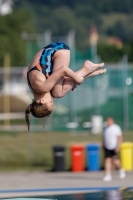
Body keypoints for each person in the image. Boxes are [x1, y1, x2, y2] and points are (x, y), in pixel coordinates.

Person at [25, 42, 106, 130]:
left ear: (42, 100)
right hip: (55, 48)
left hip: (60, 50)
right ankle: (86, 71)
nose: (52, 101)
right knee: (57, 92)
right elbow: (60, 76)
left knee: (57, 93)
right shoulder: (34, 87)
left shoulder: (43, 87)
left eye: (51, 103)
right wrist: (78, 79)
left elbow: (63, 70)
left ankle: (86, 69)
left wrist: (77, 79)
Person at [102, 117, 126, 181]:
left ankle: (121, 170)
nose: (108, 122)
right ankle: (108, 175)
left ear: (112, 121)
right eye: (107, 121)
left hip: (114, 147)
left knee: (115, 160)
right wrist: (103, 144)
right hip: (107, 147)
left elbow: (120, 137)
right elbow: (104, 137)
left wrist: (118, 146)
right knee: (107, 160)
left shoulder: (116, 128)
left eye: (109, 121)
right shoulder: (106, 128)